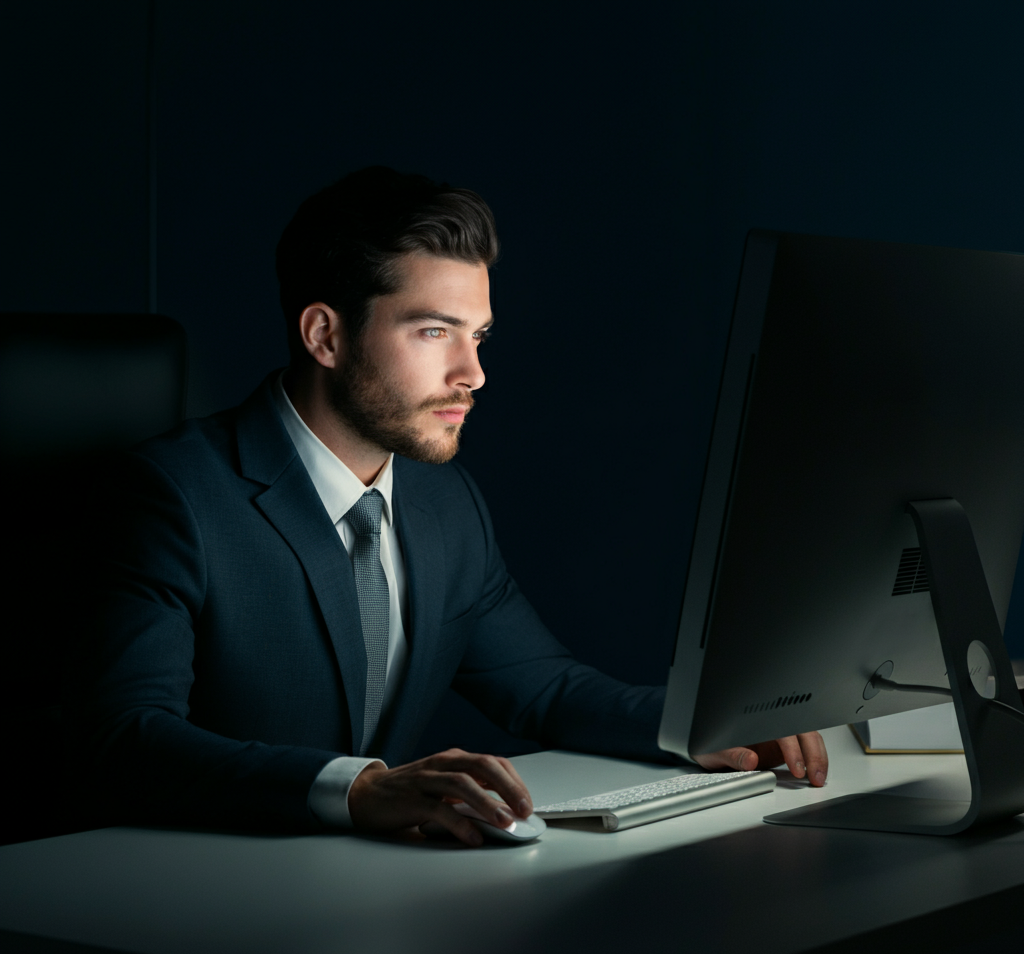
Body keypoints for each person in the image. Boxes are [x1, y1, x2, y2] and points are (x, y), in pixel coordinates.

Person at [76, 167, 828, 846]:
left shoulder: (441, 501)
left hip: (374, 894)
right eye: (434, 331)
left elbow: (542, 687)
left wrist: (703, 724)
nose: (473, 374)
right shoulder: (172, 495)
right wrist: (362, 788)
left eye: (478, 336)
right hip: (186, 895)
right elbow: (126, 738)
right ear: (325, 335)